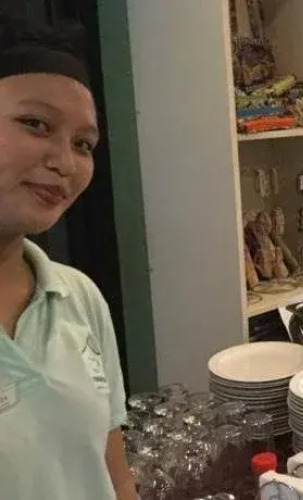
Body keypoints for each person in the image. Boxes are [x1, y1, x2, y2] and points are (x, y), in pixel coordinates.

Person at [0, 18, 135, 499]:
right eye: (35, 124)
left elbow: (115, 478)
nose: (65, 162)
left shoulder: (77, 295)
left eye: (83, 145)